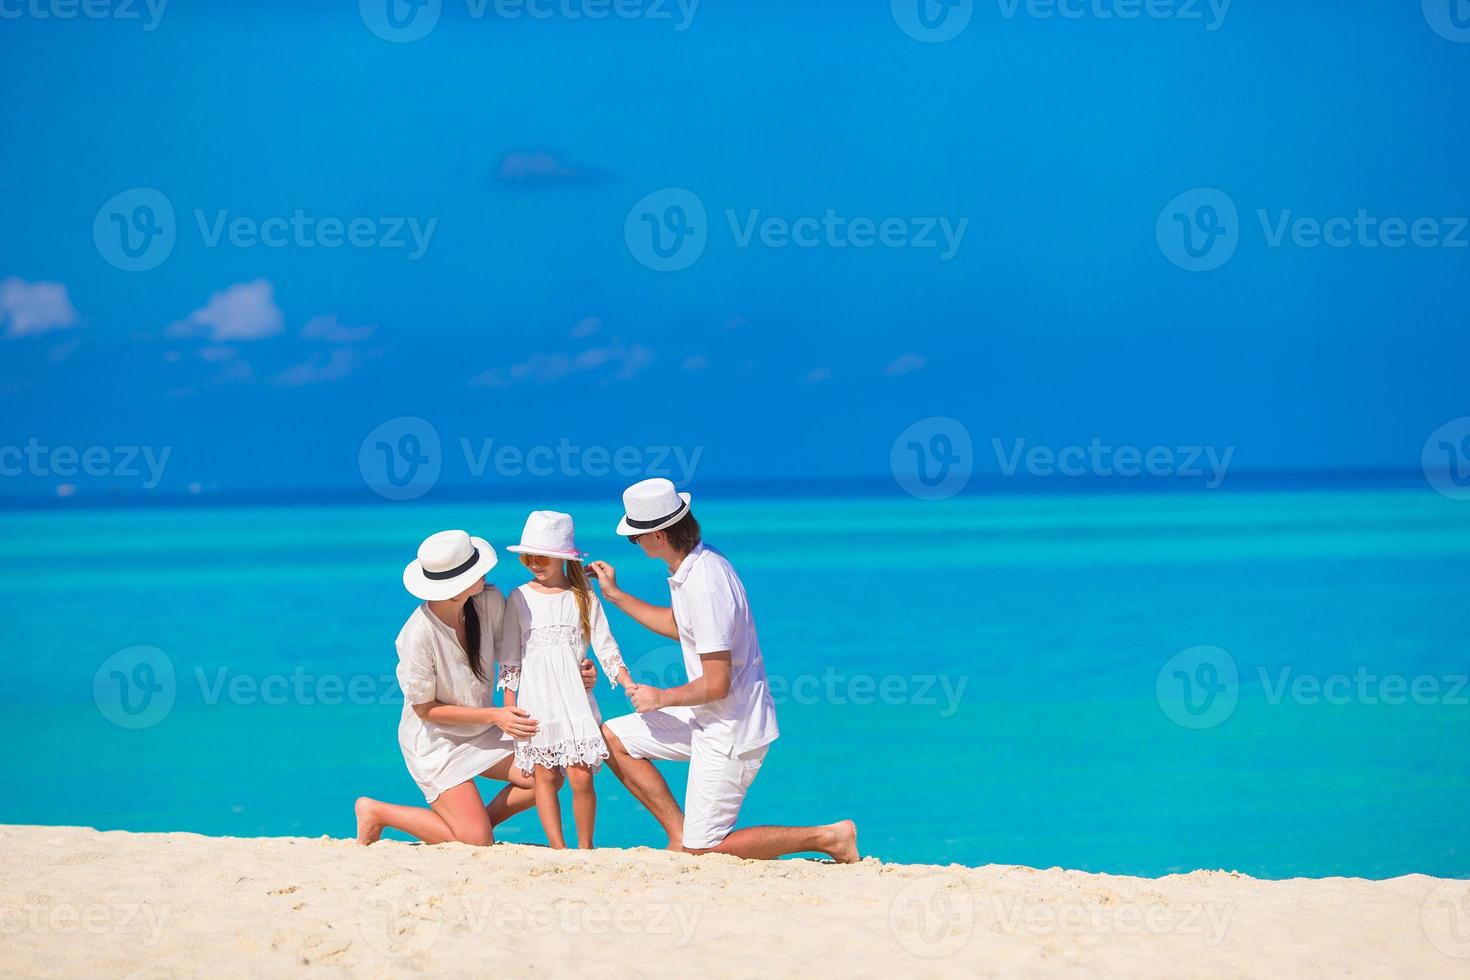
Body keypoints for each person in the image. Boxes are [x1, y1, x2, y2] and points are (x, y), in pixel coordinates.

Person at [588, 479, 859, 862]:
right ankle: (680, 835)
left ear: (660, 535)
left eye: (636, 538)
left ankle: (829, 837)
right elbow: (680, 626)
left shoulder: (705, 584)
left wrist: (660, 697)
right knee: (612, 738)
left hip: (733, 728)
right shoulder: (696, 562)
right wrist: (616, 597)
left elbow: (717, 683)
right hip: (707, 716)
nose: (635, 544)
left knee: (706, 850)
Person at [353, 529, 596, 846]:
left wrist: (575, 673)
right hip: (436, 742)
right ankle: (376, 811)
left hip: (482, 727)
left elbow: (522, 653)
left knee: (548, 776)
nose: (485, 572)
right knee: (477, 841)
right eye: (475, 570)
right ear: (453, 588)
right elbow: (425, 710)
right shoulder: (417, 636)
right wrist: (495, 716)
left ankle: (472, 826)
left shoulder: (489, 601)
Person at [498, 511, 634, 849]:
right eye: (528, 557)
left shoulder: (583, 596)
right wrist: (509, 710)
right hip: (535, 700)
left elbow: (605, 645)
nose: (533, 563)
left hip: (574, 700)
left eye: (541, 556)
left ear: (562, 558)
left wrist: (627, 682)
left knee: (580, 775)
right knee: (544, 775)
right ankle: (559, 849)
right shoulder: (518, 597)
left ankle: (585, 848)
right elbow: (511, 659)